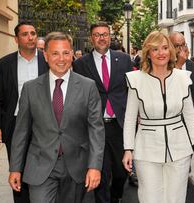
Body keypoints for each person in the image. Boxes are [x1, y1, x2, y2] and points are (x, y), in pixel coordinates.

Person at [8, 32, 105, 203]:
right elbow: (21, 131)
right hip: (40, 165)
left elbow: (96, 130)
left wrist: (95, 166)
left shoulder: (88, 86)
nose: (61, 59)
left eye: (66, 53)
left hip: (77, 166)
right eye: (55, 53)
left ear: (72, 54)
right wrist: (15, 168)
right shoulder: (30, 89)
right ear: (45, 55)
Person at [122, 31, 194, 203]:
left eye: (165, 48)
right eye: (155, 49)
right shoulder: (136, 79)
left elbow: (190, 115)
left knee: (176, 198)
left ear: (171, 51)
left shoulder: (183, 78)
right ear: (148, 54)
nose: (161, 53)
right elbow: (130, 118)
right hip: (146, 149)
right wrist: (128, 149)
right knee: (150, 198)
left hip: (180, 147)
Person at [73, 22, 132, 203]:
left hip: (119, 125)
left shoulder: (123, 59)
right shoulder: (82, 64)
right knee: (102, 171)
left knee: (122, 172)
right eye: (97, 34)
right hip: (96, 126)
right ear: (92, 38)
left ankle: (116, 196)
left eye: (105, 34)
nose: (101, 38)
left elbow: (131, 89)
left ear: (109, 36)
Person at [0, 22, 48, 203]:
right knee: (18, 171)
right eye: (25, 34)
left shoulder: (47, 60)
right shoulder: (4, 64)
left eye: (33, 33)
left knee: (44, 169)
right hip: (15, 125)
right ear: (16, 39)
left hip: (45, 124)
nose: (30, 37)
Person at [169, 31, 194, 111]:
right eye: (177, 46)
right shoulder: (164, 66)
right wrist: (179, 64)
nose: (181, 49)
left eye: (183, 45)